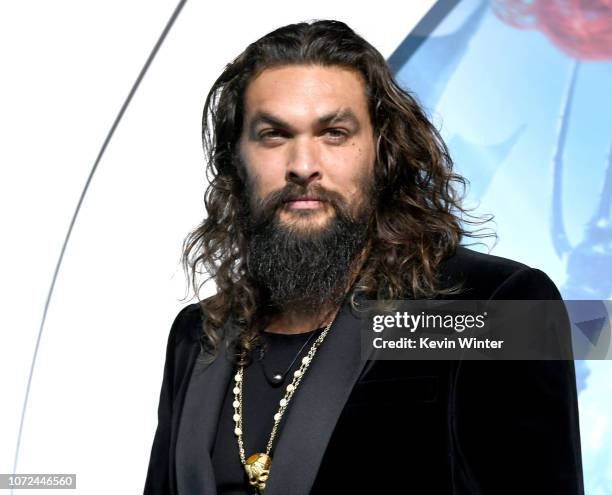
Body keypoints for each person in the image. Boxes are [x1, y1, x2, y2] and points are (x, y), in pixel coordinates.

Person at [143, 19, 584, 495]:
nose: (303, 165)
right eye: (273, 134)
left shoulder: (501, 306)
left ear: (382, 150)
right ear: (236, 160)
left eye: (334, 132)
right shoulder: (196, 333)